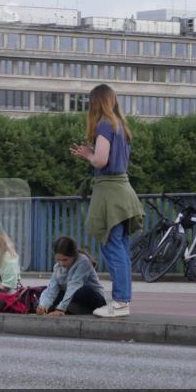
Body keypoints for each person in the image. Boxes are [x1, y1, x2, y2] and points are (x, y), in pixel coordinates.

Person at [70, 83, 144, 318]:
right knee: (120, 247)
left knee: (111, 246)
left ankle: (120, 302)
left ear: (96, 103)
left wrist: (88, 154)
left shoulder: (104, 124)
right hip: (123, 190)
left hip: (110, 192)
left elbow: (100, 161)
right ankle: (123, 301)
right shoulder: (121, 126)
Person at [35, 236, 109, 316]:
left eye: (65, 260)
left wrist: (60, 309)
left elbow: (74, 286)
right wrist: (43, 306)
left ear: (74, 255)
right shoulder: (57, 267)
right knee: (44, 290)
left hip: (93, 299)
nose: (61, 263)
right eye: (58, 260)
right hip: (73, 298)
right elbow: (51, 290)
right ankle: (71, 309)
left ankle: (67, 308)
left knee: (81, 291)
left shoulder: (83, 262)